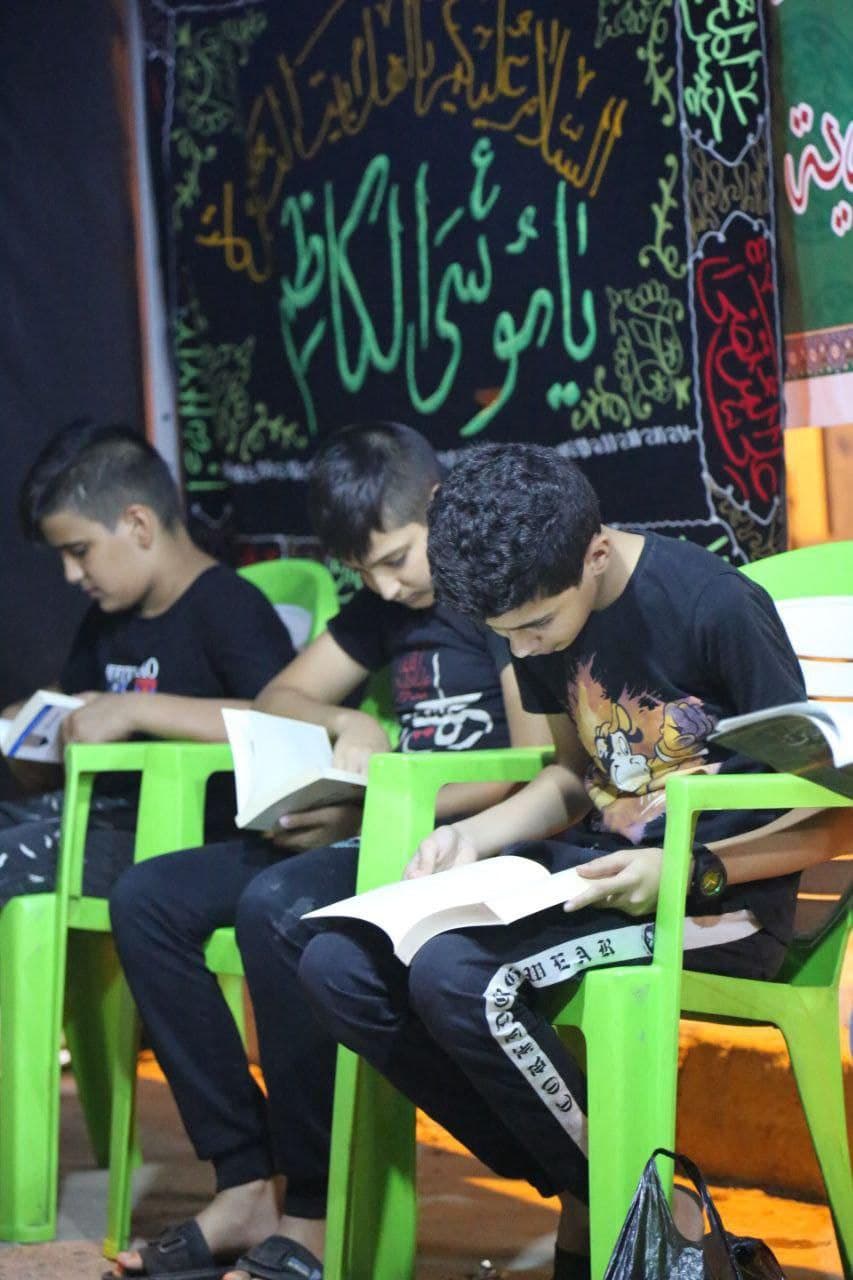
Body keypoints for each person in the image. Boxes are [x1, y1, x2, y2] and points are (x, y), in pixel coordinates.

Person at [299, 442, 847, 1280]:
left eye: (535, 630)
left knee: (460, 977)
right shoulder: (535, 609)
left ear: (594, 554)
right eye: (505, 638)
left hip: (716, 901)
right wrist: (473, 838)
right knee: (340, 964)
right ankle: (608, 1191)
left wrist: (689, 872)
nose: (523, 653)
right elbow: (569, 775)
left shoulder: (714, 605)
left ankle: (650, 1210)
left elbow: (831, 819)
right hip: (600, 872)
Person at [109, 423, 550, 1280]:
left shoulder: (493, 593)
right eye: (363, 572)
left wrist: (380, 795)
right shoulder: (386, 610)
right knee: (146, 900)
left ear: (437, 506)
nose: (385, 585)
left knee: (275, 906)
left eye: (395, 559)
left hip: (462, 840)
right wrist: (350, 722)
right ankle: (244, 1178)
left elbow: (528, 766)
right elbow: (280, 695)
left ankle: (310, 1209)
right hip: (376, 821)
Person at [0, 420, 295, 906]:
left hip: (189, 840)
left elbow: (283, 721)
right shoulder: (107, 620)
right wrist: (25, 729)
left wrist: (134, 709)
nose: (71, 574)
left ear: (139, 525)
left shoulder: (228, 607)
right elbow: (71, 701)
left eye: (79, 551)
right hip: (97, 815)